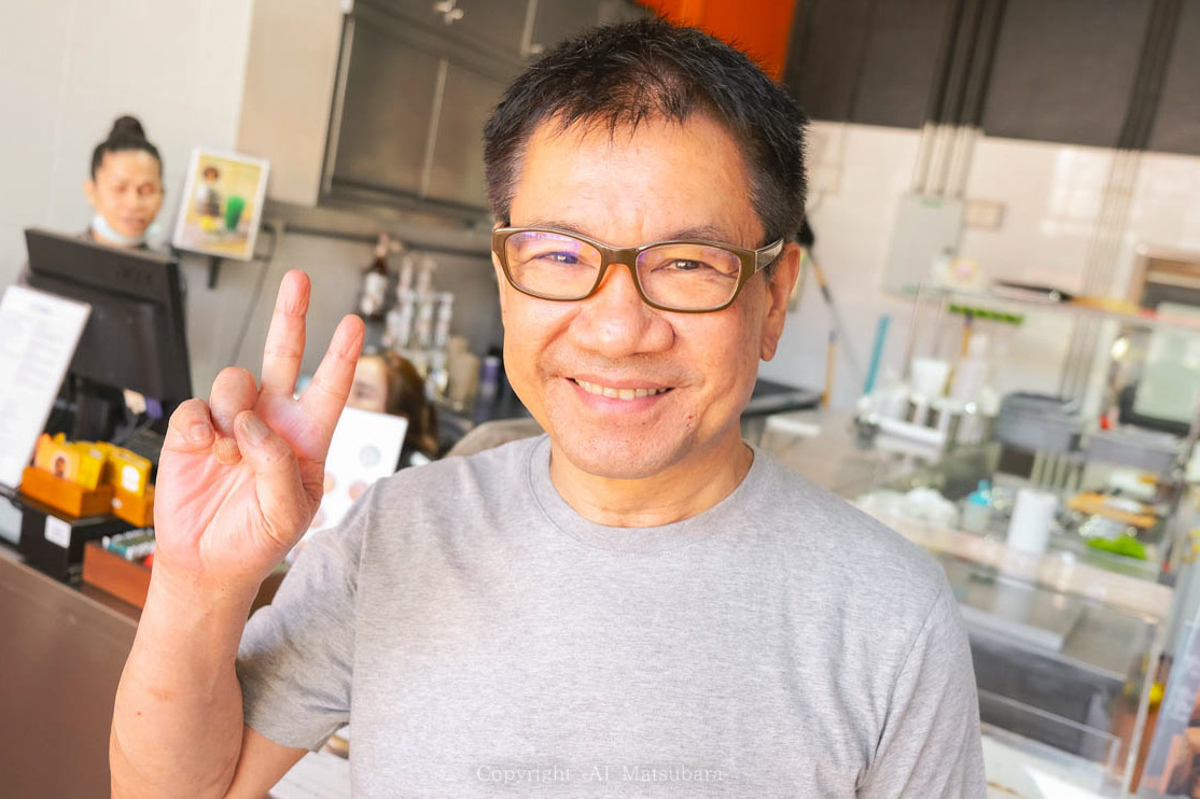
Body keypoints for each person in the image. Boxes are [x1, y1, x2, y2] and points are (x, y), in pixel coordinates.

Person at [110, 19, 985, 797]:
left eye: (687, 263)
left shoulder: (888, 618)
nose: (618, 328)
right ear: (504, 277)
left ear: (775, 294)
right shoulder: (400, 535)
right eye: (560, 255)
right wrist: (199, 584)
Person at [84, 115, 165, 248]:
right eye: (119, 188)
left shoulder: (167, 262)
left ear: (162, 197)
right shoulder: (55, 257)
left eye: (146, 191)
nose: (134, 204)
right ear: (91, 192)